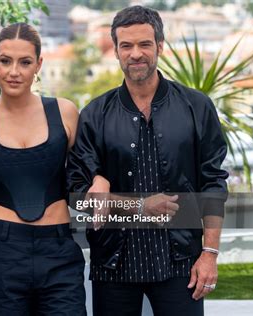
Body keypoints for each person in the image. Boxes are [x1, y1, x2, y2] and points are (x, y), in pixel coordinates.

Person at [66, 5, 228, 316]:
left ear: (161, 46)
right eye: (126, 45)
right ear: (115, 51)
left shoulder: (197, 106)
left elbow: (214, 183)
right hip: (113, 263)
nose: (135, 54)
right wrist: (134, 204)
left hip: (181, 261)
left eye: (145, 44)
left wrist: (209, 253)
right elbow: (77, 195)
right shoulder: (95, 115)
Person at [0, 23, 86, 315]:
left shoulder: (65, 111)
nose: (14, 71)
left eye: (25, 62)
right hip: (0, 252)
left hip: (58, 251)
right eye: (5, 61)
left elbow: (91, 172)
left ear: (39, 65)